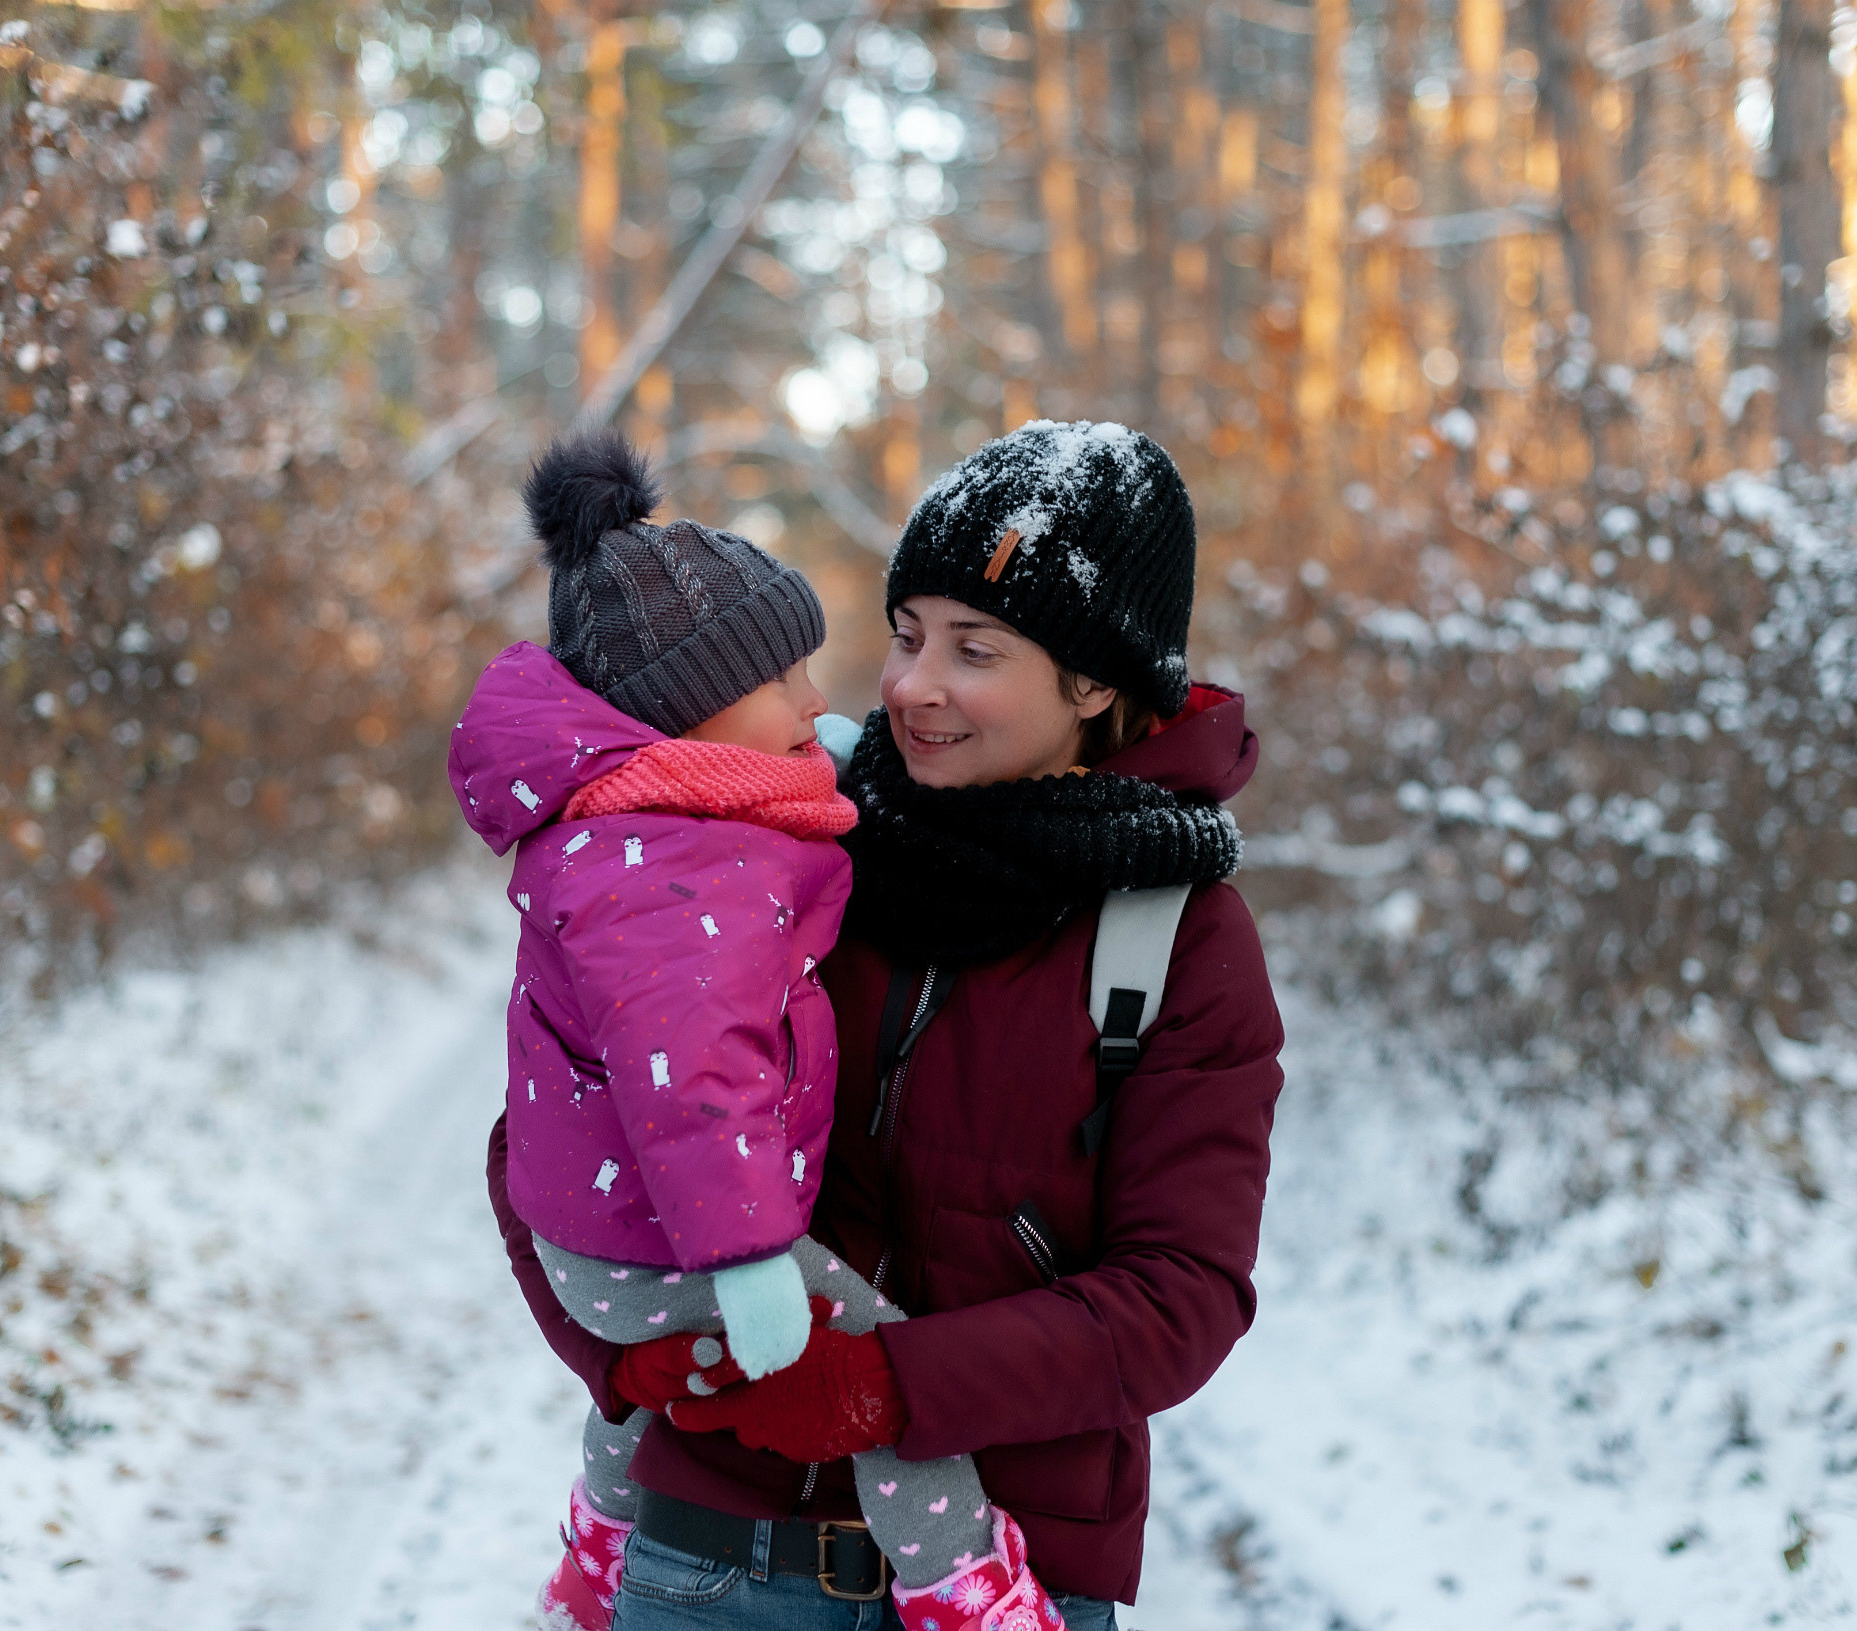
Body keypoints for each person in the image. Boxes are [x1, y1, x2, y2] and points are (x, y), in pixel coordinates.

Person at [487, 420, 1285, 1629]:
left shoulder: (1177, 937)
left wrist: (887, 1388)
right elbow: (549, 1129)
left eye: (976, 649)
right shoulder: (781, 843)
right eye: (908, 634)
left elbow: (1182, 1294)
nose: (911, 684)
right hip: (713, 1560)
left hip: (1019, 1565)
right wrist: (615, 1352)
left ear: (1096, 678)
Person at [448, 431, 1066, 1630]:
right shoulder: (667, 872)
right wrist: (745, 1255)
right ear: (691, 712)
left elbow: (777, 794)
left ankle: (596, 1557)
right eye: (785, 680)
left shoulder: (650, 817)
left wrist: (818, 759)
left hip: (610, 1236)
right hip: (672, 1241)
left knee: (657, 1390)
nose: (818, 699)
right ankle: (965, 1584)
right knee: (874, 1364)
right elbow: (691, 1077)